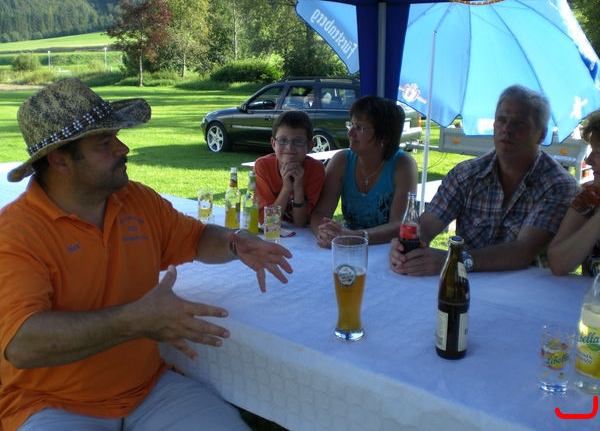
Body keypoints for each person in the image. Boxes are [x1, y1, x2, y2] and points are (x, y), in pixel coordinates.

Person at [0, 78, 293, 431]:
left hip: (149, 391)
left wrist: (235, 242)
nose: (122, 148)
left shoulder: (135, 199)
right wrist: (135, 319)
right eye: (104, 143)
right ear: (60, 161)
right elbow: (21, 344)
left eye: (116, 137)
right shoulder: (16, 232)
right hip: (49, 403)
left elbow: (196, 237)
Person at [389, 84, 579, 276]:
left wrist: (455, 261)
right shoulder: (466, 174)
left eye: (519, 123)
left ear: (541, 135)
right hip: (463, 286)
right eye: (501, 120)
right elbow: (427, 226)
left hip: (525, 289)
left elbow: (523, 251)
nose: (507, 129)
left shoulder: (557, 185)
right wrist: (407, 247)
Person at [310, 95, 418, 247]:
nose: (350, 133)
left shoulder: (403, 165)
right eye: (351, 125)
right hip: (348, 249)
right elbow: (320, 213)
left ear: (385, 136)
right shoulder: (341, 160)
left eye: (360, 127)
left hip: (389, 252)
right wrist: (325, 233)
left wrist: (356, 237)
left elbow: (399, 225)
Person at [548, 111, 600, 276]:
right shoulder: (589, 196)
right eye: (591, 150)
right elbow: (558, 263)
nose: (589, 160)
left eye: (598, 153)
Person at [255, 110, 325, 228]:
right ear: (273, 143)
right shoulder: (263, 166)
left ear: (309, 146)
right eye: (282, 140)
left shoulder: (316, 169)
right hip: (272, 234)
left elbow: (300, 223)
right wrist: (286, 188)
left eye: (298, 141)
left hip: (304, 236)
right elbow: (268, 222)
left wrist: (298, 188)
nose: (289, 147)